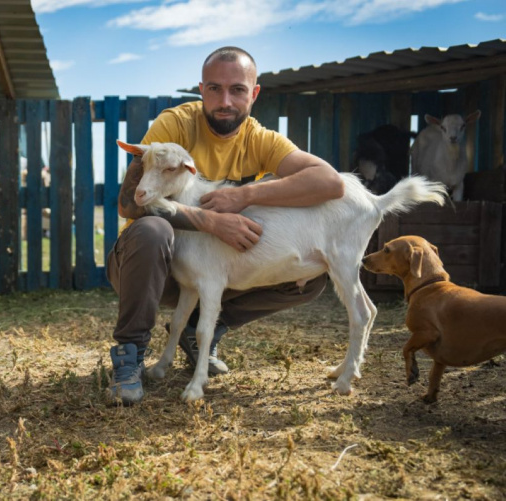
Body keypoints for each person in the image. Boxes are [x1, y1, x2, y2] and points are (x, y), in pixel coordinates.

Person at [106, 46, 344, 405]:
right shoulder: (174, 125)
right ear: (201, 90)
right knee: (153, 230)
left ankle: (201, 330)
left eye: (237, 90)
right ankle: (130, 355)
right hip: (151, 269)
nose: (225, 100)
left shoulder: (261, 140)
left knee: (309, 276)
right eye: (215, 88)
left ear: (254, 93)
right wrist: (210, 220)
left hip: (214, 272)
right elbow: (129, 205)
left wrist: (245, 195)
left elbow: (330, 183)